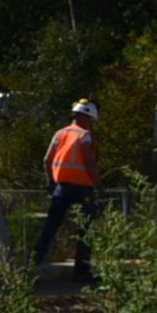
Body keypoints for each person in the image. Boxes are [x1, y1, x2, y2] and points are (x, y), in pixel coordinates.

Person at [33, 99, 101, 282]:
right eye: (91, 120)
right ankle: (81, 273)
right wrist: (98, 183)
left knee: (50, 227)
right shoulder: (85, 135)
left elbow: (47, 160)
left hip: (61, 188)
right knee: (85, 230)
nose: (91, 124)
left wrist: (51, 182)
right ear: (86, 117)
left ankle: (32, 265)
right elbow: (89, 162)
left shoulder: (59, 133)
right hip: (83, 189)